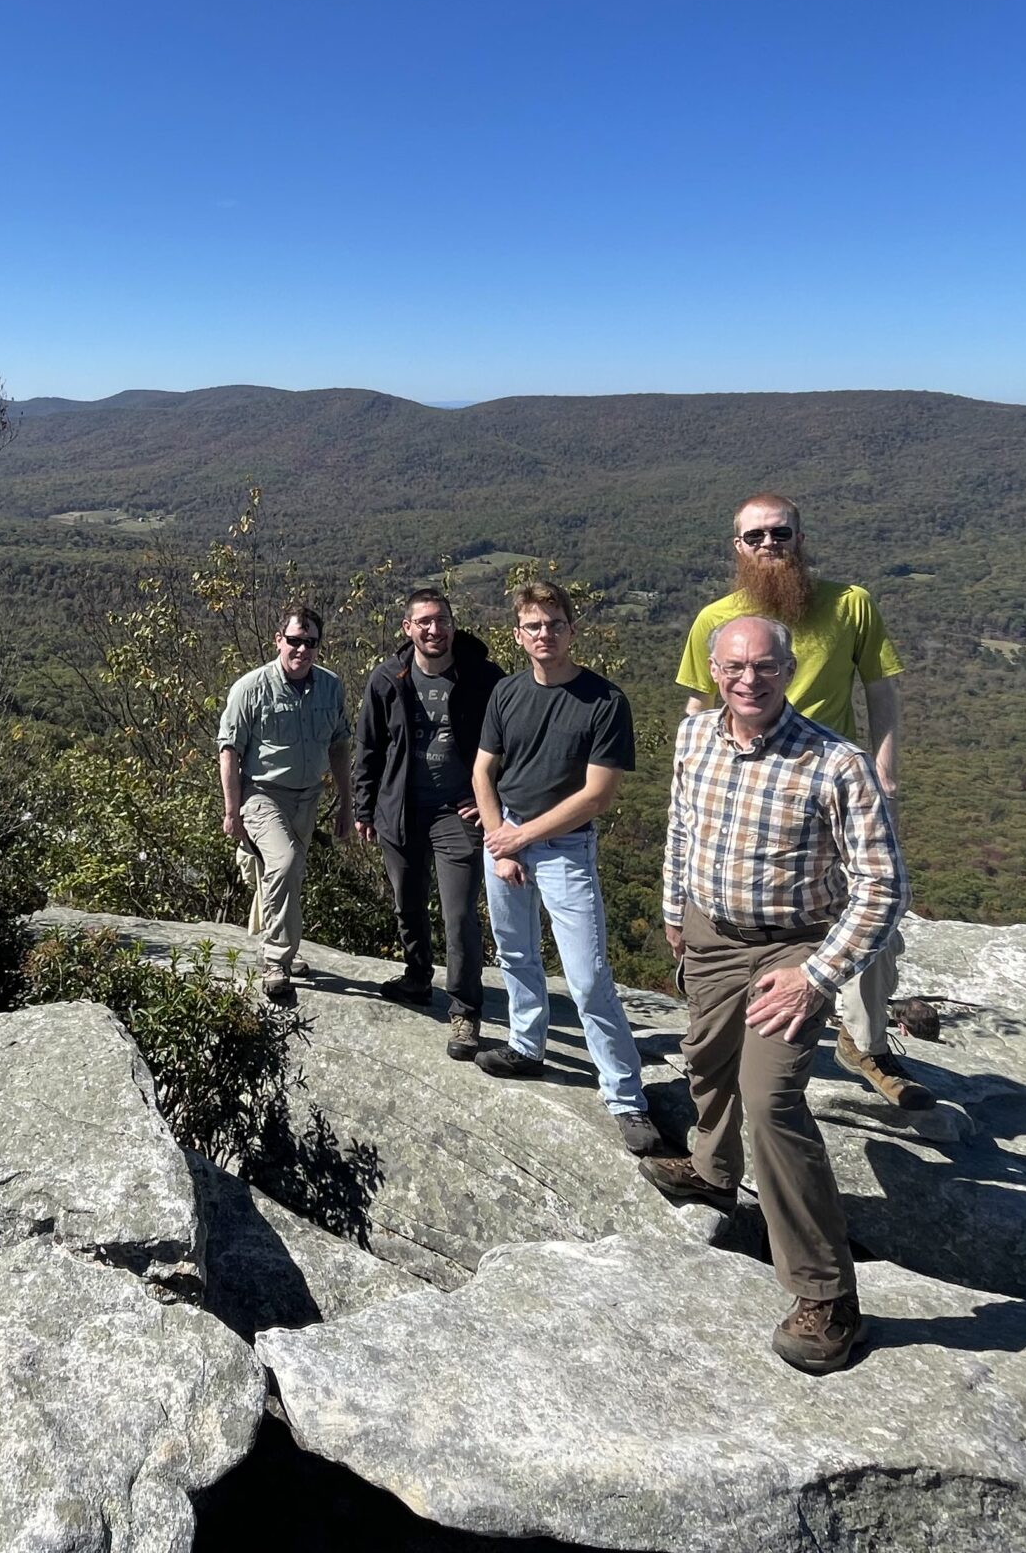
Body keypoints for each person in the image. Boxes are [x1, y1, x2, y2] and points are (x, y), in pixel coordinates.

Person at [647, 613, 910, 1374]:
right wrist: (674, 913)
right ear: (714, 669)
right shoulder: (695, 736)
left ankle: (829, 1295)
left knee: (770, 1100)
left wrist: (817, 975)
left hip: (792, 948)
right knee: (704, 1054)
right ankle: (711, 1168)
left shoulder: (837, 764)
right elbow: (682, 827)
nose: (748, 681)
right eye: (733, 668)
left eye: (764, 668)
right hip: (709, 930)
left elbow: (883, 886)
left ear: (789, 671)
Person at [675, 492, 927, 1109]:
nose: (767, 546)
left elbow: (881, 691)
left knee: (873, 918)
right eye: (753, 537)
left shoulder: (851, 605)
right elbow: (698, 708)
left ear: (799, 537)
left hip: (833, 788)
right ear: (737, 547)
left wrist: (885, 773)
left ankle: (864, 1042)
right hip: (751, 796)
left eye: (778, 534)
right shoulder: (716, 618)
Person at [469, 581, 662, 1156]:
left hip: (564, 848)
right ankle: (527, 1047)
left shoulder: (604, 701)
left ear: (572, 631)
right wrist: (500, 843)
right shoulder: (506, 693)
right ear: (518, 635)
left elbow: (597, 796)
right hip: (505, 837)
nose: (544, 634)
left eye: (554, 624)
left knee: (587, 977)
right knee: (515, 952)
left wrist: (519, 838)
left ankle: (626, 1098)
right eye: (533, 626)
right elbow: (483, 772)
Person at [353, 587, 500, 1058]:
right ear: (408, 628)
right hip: (400, 808)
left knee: (458, 915)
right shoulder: (387, 679)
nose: (434, 629)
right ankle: (418, 978)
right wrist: (364, 807)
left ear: (453, 623)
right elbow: (368, 747)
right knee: (407, 902)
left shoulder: (482, 677)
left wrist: (491, 799)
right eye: (424, 622)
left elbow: (513, 744)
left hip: (456, 811)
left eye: (442, 620)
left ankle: (464, 1011)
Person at [218, 607, 353, 1005]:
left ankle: (282, 949)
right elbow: (229, 752)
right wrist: (231, 812)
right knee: (286, 862)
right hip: (261, 794)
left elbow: (340, 744)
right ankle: (277, 961)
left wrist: (347, 803)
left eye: (310, 642)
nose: (301, 649)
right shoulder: (250, 687)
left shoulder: (330, 687)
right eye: (294, 640)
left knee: (286, 874)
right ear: (278, 639)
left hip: (308, 797)